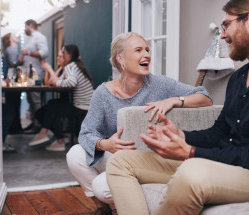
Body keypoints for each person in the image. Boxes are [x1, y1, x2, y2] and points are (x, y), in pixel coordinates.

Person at [106, 0, 249, 214]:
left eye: (226, 25)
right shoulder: (239, 77)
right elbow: (220, 132)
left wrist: (190, 152)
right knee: (120, 162)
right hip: (232, 163)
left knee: (192, 171)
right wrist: (181, 135)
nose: (223, 36)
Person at [66, 32, 212, 214]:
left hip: (147, 159)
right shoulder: (102, 94)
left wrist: (175, 100)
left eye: (147, 50)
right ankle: (102, 208)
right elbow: (86, 133)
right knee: (74, 154)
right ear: (121, 58)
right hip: (115, 154)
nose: (147, 55)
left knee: (100, 186)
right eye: (138, 50)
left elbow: (205, 97)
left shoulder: (160, 84)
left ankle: (126, 192)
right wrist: (106, 144)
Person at [28, 44, 94, 151]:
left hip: (82, 107)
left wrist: (56, 79)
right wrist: (57, 78)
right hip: (84, 105)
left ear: (68, 54)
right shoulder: (74, 66)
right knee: (52, 105)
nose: (60, 56)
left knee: (52, 108)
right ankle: (50, 135)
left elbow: (71, 82)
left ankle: (51, 137)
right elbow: (52, 82)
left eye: (62, 53)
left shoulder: (71, 66)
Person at [19, 19, 48, 134]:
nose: (24, 29)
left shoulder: (39, 37)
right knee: (31, 100)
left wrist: (28, 53)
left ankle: (38, 126)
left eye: (25, 26)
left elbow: (44, 53)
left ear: (30, 25)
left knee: (36, 101)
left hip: (36, 75)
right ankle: (33, 123)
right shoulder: (31, 38)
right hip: (29, 76)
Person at [1, 33, 23, 152]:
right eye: (14, 35)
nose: (16, 36)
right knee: (12, 108)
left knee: (12, 107)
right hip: (12, 80)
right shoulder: (11, 49)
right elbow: (14, 64)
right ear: (10, 39)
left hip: (11, 79)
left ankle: (13, 128)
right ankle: (12, 130)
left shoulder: (10, 49)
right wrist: (23, 56)